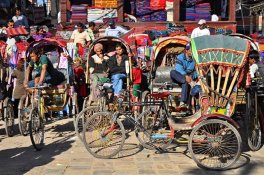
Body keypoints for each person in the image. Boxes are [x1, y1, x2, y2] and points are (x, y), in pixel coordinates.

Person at [170, 44, 196, 108]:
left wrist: (192, 77)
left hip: (187, 79)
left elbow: (195, 71)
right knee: (172, 72)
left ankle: (183, 102)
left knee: (185, 82)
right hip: (179, 77)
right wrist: (185, 75)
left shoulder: (194, 59)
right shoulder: (180, 57)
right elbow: (178, 68)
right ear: (186, 51)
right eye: (190, 51)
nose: (192, 52)